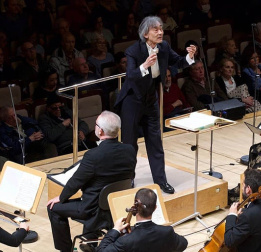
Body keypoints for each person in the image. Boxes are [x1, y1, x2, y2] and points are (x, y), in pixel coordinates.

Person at [115, 16, 196, 194]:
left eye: (161, 29)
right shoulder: (133, 51)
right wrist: (144, 65)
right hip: (132, 101)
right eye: (156, 29)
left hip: (151, 100)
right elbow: (130, 75)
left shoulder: (164, 46)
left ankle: (161, 181)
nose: (160, 32)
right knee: (130, 144)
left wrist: (189, 57)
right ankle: (128, 179)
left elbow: (178, 62)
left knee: (155, 142)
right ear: (145, 34)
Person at [47, 111, 137, 252]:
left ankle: (65, 250)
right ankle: (90, 242)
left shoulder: (93, 156)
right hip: (116, 204)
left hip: (94, 209)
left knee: (53, 208)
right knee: (94, 189)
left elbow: (76, 182)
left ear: (100, 130)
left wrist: (61, 197)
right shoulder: (130, 150)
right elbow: (131, 175)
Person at [96, 188, 188, 252]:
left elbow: (101, 250)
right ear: (155, 208)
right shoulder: (167, 232)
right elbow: (183, 243)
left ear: (135, 206)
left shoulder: (125, 241)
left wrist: (115, 230)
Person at [224, 169, 261, 251]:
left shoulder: (247, 216)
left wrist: (232, 215)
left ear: (248, 189)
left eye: (243, 185)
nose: (242, 188)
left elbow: (229, 241)